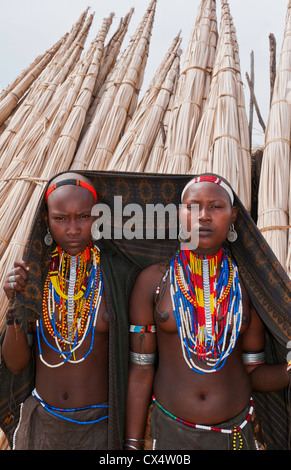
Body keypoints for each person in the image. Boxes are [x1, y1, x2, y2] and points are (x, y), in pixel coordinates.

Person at [124, 174, 291, 451]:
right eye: (192, 206)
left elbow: (254, 372)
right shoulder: (153, 281)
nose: (203, 216)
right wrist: (131, 444)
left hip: (236, 433)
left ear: (234, 215)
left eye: (216, 206)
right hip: (169, 434)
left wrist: (288, 371)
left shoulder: (249, 286)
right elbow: (141, 370)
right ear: (180, 213)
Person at [1, 171, 130, 450]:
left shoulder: (118, 276)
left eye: (83, 216)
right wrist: (15, 305)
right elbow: (15, 364)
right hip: (41, 426)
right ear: (46, 220)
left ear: (98, 217)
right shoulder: (36, 277)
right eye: (61, 218)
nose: (73, 229)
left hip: (100, 428)